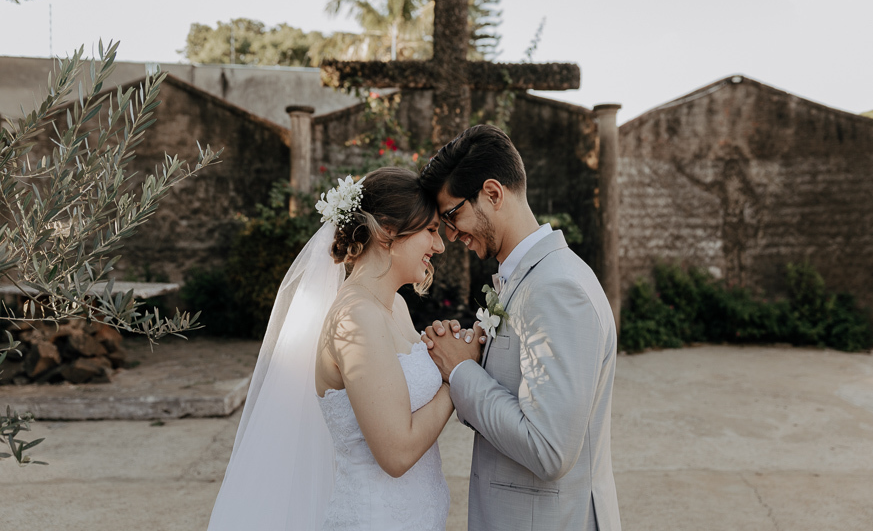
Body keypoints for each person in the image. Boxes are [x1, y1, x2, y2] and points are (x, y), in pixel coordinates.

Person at [207, 167, 481, 531]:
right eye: (430, 231)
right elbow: (396, 453)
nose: (440, 245)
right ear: (386, 232)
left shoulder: (394, 306)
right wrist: (456, 376)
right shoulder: (355, 319)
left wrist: (440, 350)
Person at [420, 125, 622, 531]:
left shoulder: (556, 289)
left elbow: (549, 449)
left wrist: (462, 373)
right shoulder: (534, 279)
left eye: (451, 215)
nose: (451, 233)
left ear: (492, 194)